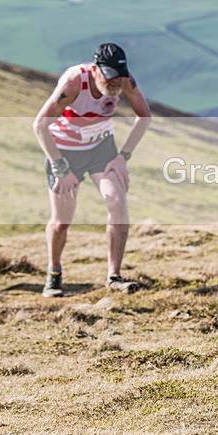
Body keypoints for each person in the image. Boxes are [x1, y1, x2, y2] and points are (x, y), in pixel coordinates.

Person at [32, 43, 152, 297]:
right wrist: (61, 168)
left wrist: (123, 156)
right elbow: (40, 125)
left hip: (101, 149)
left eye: (119, 76)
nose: (115, 83)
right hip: (63, 152)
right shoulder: (75, 81)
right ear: (96, 70)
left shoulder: (125, 81)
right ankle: (54, 273)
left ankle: (114, 276)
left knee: (117, 202)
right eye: (110, 77)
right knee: (62, 221)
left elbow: (145, 116)